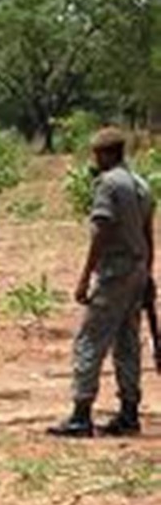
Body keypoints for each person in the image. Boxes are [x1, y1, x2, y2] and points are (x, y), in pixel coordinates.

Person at [48, 128, 155, 437]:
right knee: (127, 342)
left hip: (114, 274)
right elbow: (149, 235)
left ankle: (81, 414)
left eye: (96, 154)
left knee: (89, 340)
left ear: (107, 154)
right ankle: (129, 412)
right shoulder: (141, 185)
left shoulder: (108, 184)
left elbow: (101, 232)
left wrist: (84, 278)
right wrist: (148, 273)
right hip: (137, 269)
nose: (94, 160)